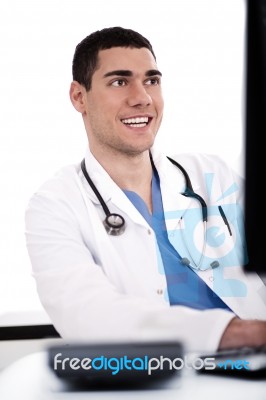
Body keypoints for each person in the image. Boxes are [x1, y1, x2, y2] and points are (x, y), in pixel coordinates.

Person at [25, 26, 266, 353]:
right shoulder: (55, 205)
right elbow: (87, 315)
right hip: (157, 379)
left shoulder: (213, 175)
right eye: (119, 82)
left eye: (151, 80)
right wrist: (241, 333)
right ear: (79, 97)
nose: (142, 98)